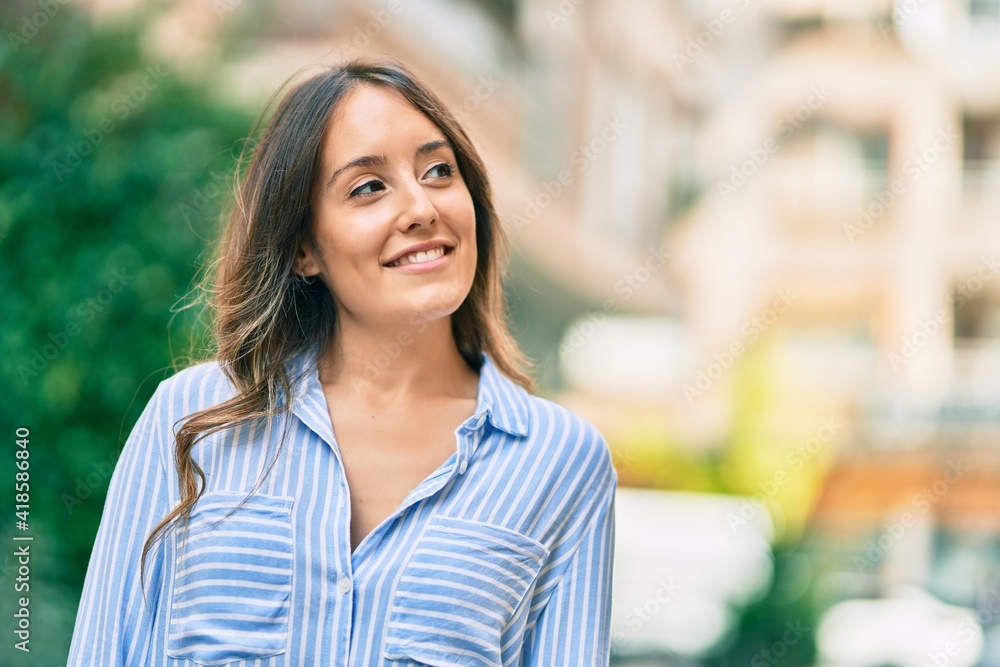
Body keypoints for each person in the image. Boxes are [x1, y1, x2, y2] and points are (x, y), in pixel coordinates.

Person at [67, 58, 617, 666]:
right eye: (368, 187)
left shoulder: (562, 461)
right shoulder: (194, 418)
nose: (420, 207)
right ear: (304, 248)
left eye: (439, 171)